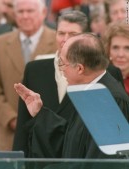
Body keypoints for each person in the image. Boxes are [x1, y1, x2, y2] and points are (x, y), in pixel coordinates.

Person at [13, 10, 124, 157]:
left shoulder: (107, 100)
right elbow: (71, 140)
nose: (62, 71)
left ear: (79, 68)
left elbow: (99, 163)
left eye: (63, 65)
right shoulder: (92, 92)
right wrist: (40, 113)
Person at [0, 0, 57, 151]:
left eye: (30, 11)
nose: (25, 16)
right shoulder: (0, 43)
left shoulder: (58, 42)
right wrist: (12, 119)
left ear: (43, 13)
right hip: (8, 136)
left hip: (48, 134)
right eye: (20, 12)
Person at [104, 21, 129, 94]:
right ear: (108, 50)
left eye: (127, 48)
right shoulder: (98, 80)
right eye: (115, 48)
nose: (120, 54)